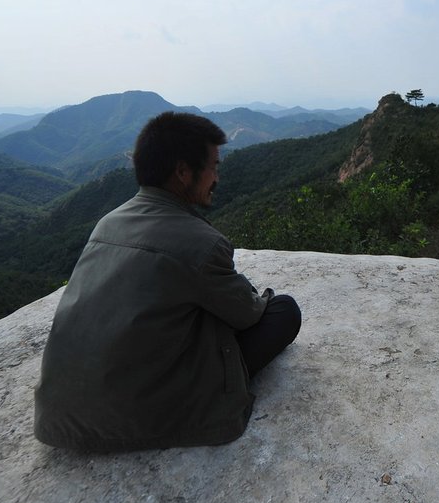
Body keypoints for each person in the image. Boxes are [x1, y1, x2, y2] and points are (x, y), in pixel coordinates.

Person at [33, 112, 301, 452]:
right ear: (183, 172)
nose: (217, 177)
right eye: (213, 167)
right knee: (284, 310)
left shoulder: (107, 224)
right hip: (134, 414)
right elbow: (247, 314)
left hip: (58, 414)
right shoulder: (202, 242)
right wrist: (250, 294)